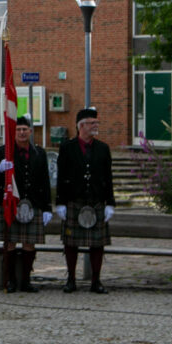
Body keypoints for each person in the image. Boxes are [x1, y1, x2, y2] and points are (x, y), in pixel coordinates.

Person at [56, 107, 115, 294]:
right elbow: (61, 176)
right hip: (74, 199)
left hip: (96, 200)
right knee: (71, 242)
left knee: (97, 243)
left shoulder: (103, 148)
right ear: (81, 126)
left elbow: (108, 176)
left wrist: (110, 202)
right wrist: (60, 202)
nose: (96, 126)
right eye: (92, 123)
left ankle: (96, 281)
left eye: (97, 123)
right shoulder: (67, 147)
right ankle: (71, 279)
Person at [0, 116, 52, 292]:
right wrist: (1, 170)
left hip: (32, 204)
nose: (22, 132)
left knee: (29, 243)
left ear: (30, 131)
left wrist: (47, 207)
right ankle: (10, 281)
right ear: (13, 132)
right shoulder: (3, 152)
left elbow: (45, 182)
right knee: (9, 243)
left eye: (25, 129)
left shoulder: (39, 152)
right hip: (9, 203)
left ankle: (26, 281)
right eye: (18, 129)